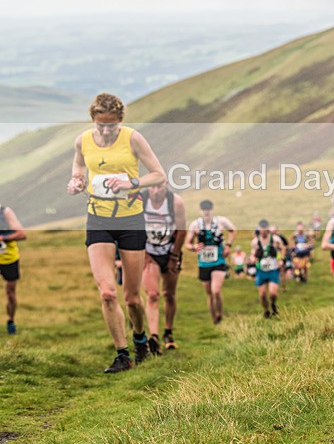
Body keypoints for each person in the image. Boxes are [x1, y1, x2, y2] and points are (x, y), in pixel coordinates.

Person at [66, 93, 167, 373]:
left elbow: (159, 175)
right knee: (108, 293)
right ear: (93, 120)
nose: (106, 131)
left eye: (111, 126)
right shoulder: (82, 140)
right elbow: (78, 166)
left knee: (132, 297)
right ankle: (122, 354)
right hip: (97, 219)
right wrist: (76, 181)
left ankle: (140, 339)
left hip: (130, 221)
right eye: (101, 126)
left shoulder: (133, 138)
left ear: (120, 120)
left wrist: (130, 182)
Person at [140, 182, 187, 354]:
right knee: (152, 295)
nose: (155, 191)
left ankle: (168, 331)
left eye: (159, 187)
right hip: (150, 252)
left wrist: (174, 257)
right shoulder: (141, 199)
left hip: (170, 250)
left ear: (166, 186)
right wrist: (144, 253)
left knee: (169, 295)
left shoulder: (175, 203)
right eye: (152, 187)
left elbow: (182, 231)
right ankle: (154, 337)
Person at [186, 200, 237, 325]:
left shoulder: (221, 221)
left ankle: (220, 313)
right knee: (209, 293)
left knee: (216, 290)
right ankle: (214, 317)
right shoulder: (195, 224)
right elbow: (187, 243)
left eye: (208, 209)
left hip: (218, 260)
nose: (206, 211)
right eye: (204, 209)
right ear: (200, 210)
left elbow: (233, 230)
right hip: (204, 262)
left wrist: (228, 246)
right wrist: (194, 247)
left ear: (212, 209)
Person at [0, 204, 26, 335]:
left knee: (10, 293)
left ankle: (11, 321)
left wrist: (3, 238)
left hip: (8, 258)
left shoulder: (5, 212)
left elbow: (21, 234)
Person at [251, 219, 284, 318]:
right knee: (262, 295)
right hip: (261, 270)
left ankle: (273, 304)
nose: (263, 231)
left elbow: (282, 249)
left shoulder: (275, 239)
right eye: (261, 229)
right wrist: (253, 258)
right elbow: (253, 253)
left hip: (273, 269)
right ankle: (266, 310)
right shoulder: (255, 241)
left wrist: (281, 259)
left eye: (265, 229)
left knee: (273, 293)